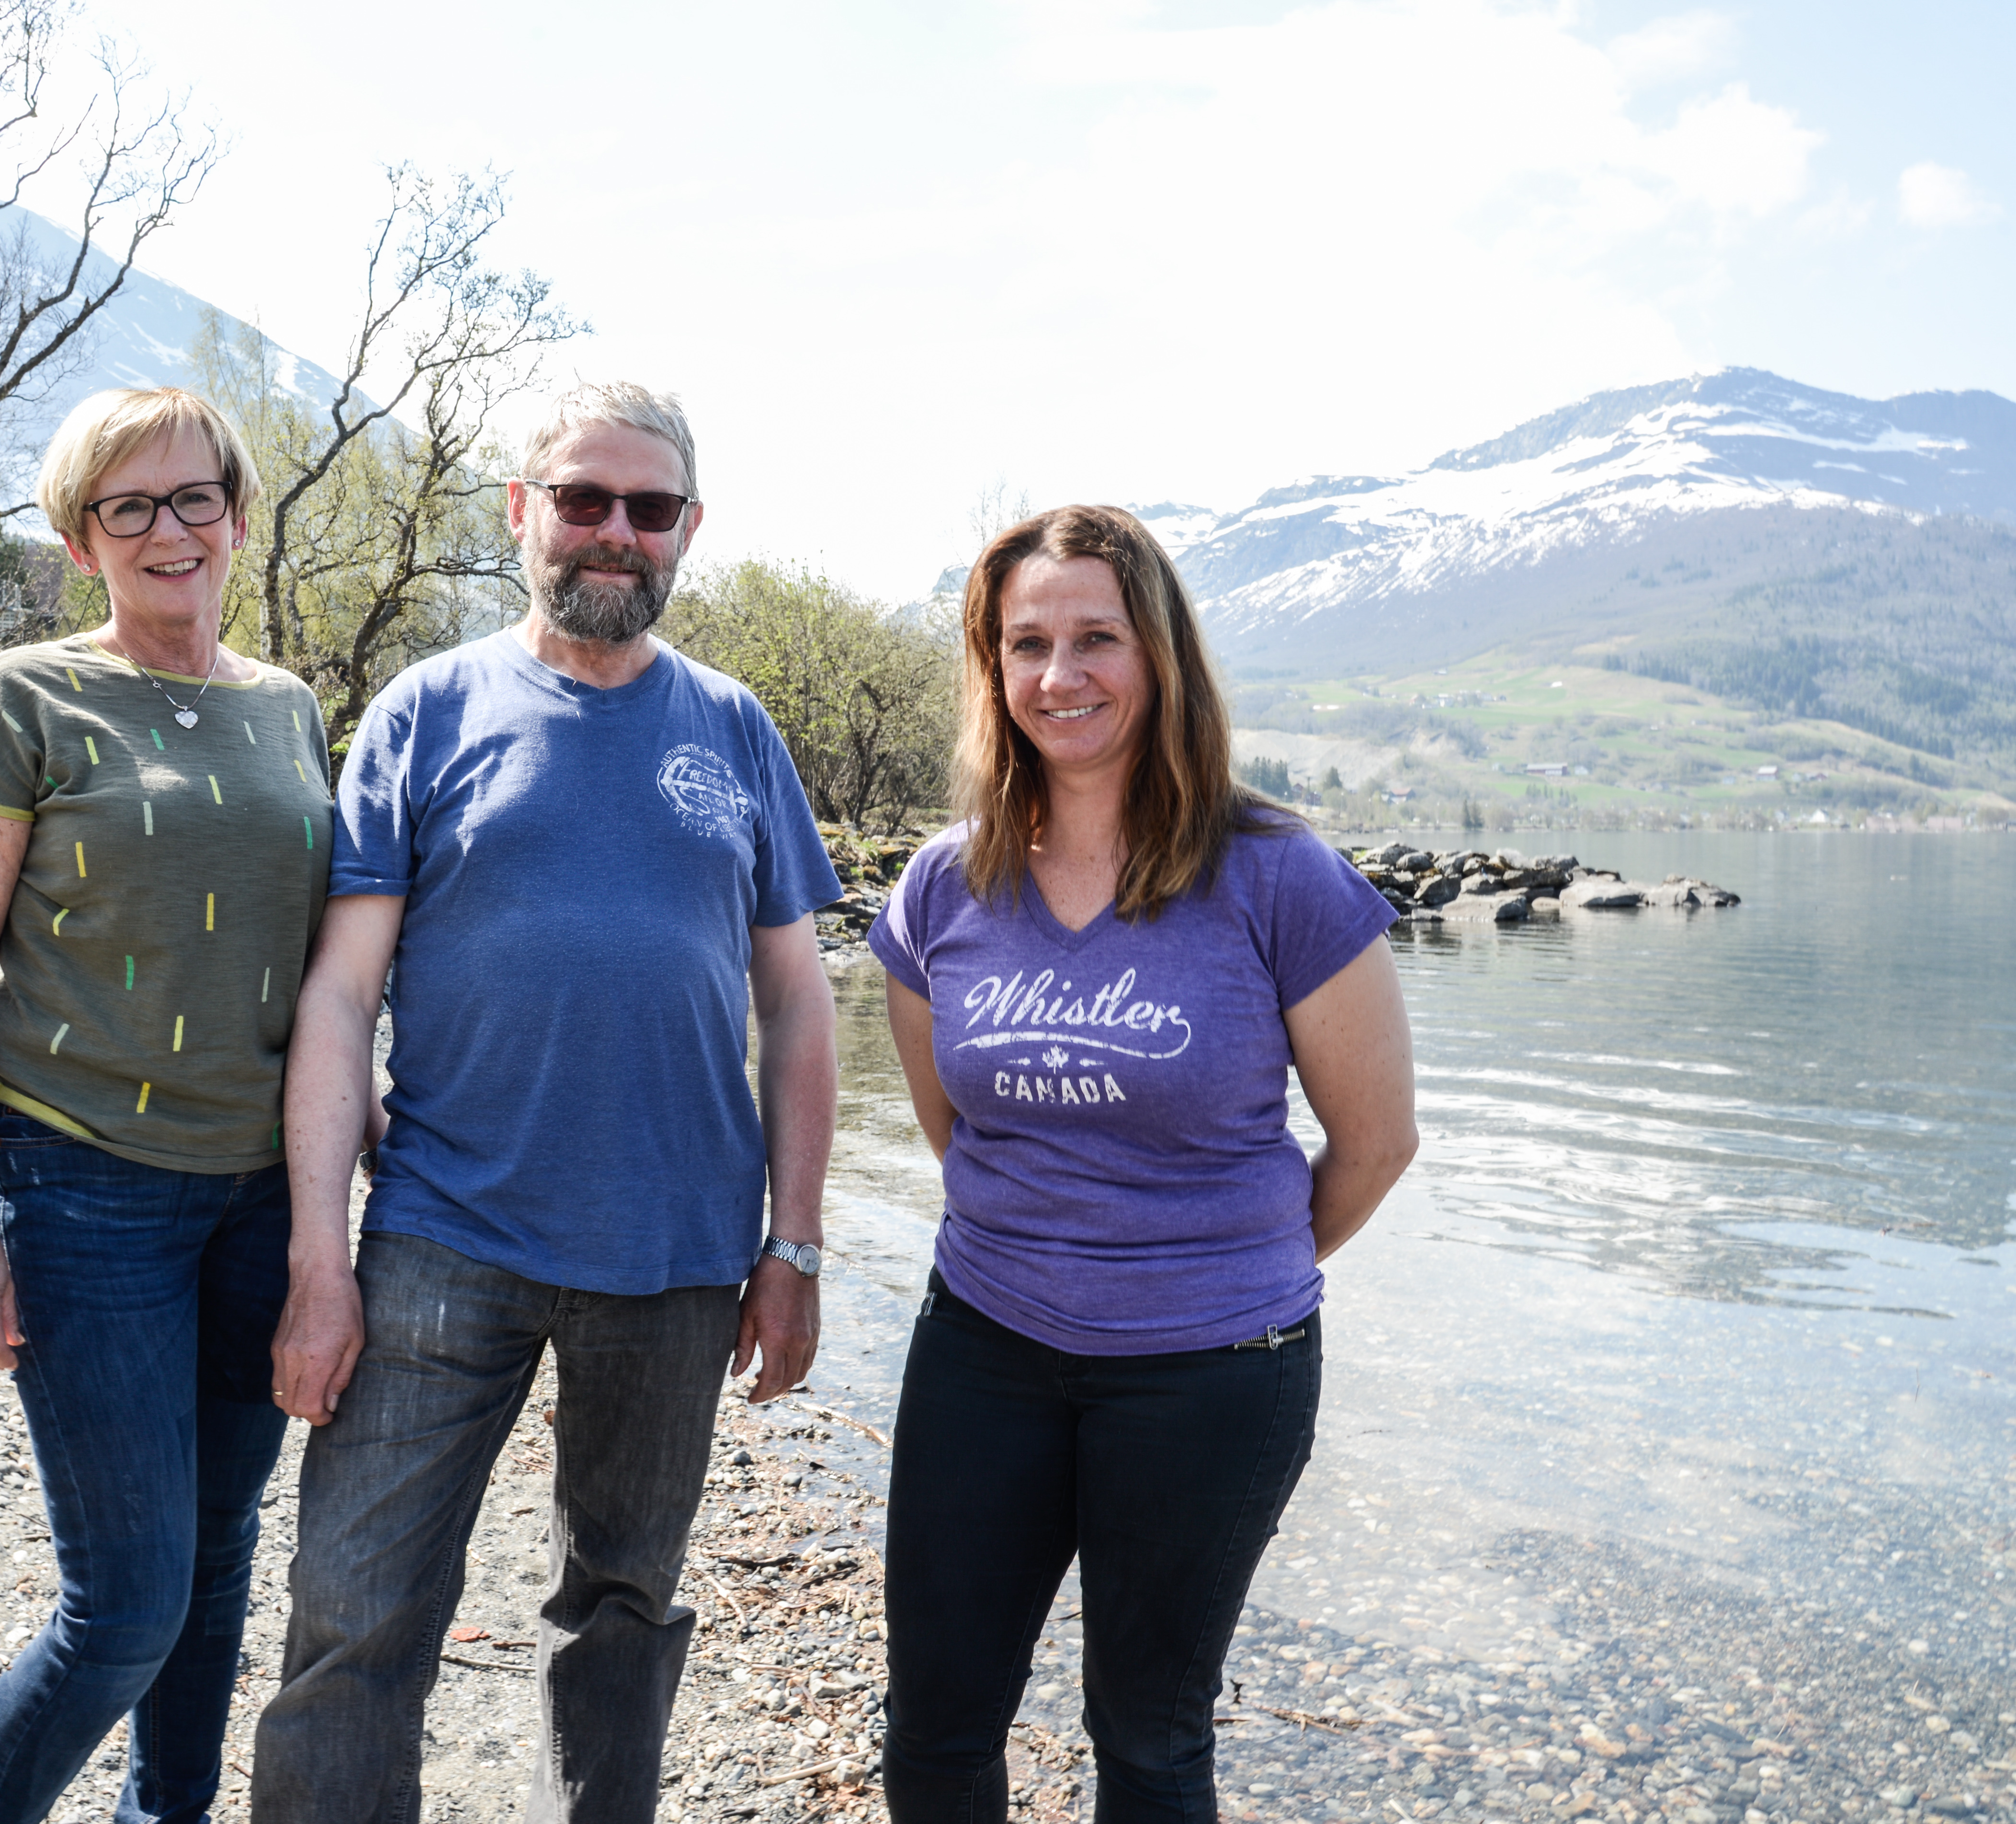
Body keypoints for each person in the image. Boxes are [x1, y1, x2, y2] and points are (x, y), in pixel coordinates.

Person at [249, 380, 843, 1824]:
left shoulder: (736, 726)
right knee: (354, 1602)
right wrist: (319, 1263)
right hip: (443, 1236)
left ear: (688, 528)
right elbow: (340, 998)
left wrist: (798, 1245)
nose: (615, 531)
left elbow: (797, 1002)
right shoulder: (425, 712)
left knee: (623, 1608)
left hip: (679, 1254)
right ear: (521, 511)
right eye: (583, 498)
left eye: (650, 507)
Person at [867, 505, 1417, 1822]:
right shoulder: (943, 887)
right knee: (935, 1722)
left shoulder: (1278, 876)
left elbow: (1376, 1142)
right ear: (994, 669)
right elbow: (959, 1133)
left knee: (1149, 1736)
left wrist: (1222, 1269)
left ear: (1160, 655)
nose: (1060, 674)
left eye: (1096, 638)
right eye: (1027, 643)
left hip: (1210, 1376)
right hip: (984, 1349)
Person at [0, 386, 344, 1824]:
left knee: (216, 1558)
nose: (169, 530)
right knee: (125, 1606)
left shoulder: (289, 708)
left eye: (193, 497)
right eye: (127, 506)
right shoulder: (23, 697)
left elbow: (328, 971)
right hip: (85, 1190)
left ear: (236, 514)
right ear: (81, 537)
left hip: (262, 1198)